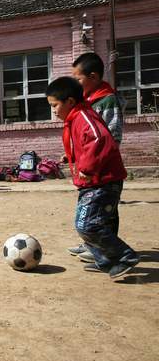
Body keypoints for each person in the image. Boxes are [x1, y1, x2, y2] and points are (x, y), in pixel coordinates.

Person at [46, 76, 138, 279]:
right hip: (94, 182)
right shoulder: (75, 118)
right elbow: (87, 143)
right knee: (89, 223)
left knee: (87, 224)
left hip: (103, 182)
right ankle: (106, 260)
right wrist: (71, 156)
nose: (53, 111)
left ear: (70, 101)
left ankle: (125, 256)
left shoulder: (83, 116)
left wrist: (86, 168)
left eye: (55, 105)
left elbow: (100, 139)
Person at [69, 52, 125, 262]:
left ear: (93, 77)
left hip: (104, 167)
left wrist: (99, 160)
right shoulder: (87, 101)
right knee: (91, 209)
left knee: (105, 210)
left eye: (78, 79)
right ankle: (92, 245)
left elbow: (113, 134)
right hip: (88, 166)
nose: (75, 84)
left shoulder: (107, 100)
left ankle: (108, 253)